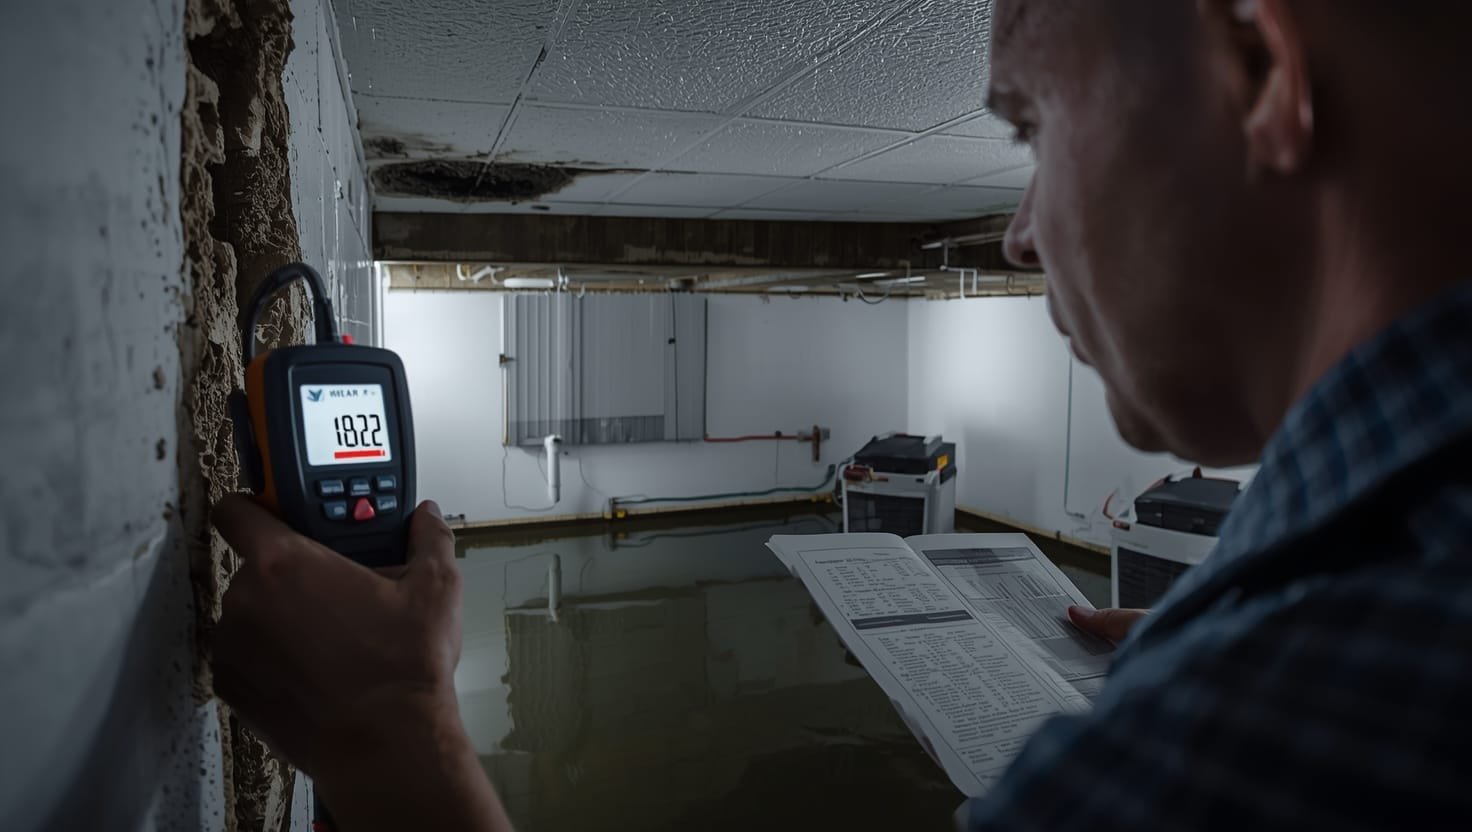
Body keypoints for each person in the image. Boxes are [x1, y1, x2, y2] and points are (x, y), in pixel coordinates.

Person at [212, 0, 1472, 828]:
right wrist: (1220, 626)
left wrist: (393, 740)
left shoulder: (1279, 722)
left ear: (1259, 65)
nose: (1018, 235)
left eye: (1032, 128)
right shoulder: (1353, 607)